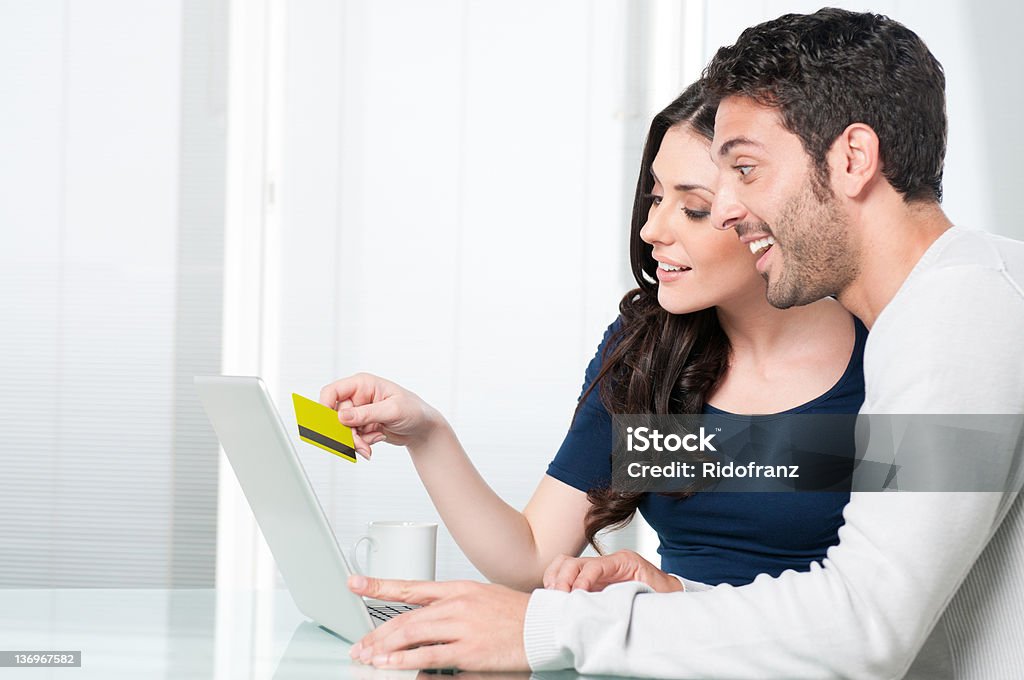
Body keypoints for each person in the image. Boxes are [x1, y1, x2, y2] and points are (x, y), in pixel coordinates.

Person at [344, 8, 1024, 678]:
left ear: (853, 158)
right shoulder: (945, 308)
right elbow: (878, 621)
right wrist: (670, 602)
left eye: (746, 172)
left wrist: (549, 628)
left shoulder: (958, 315)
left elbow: (865, 630)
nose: (727, 208)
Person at [320, 80, 864, 596]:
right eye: (656, 198)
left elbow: (887, 615)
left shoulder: (887, 358)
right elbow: (533, 558)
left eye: (693, 208)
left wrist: (680, 599)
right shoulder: (650, 351)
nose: (653, 229)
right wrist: (427, 432)